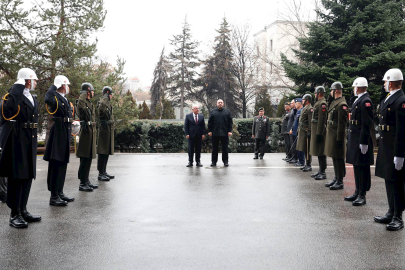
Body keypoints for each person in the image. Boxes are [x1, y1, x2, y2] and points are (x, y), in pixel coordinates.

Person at [0, 68, 41, 228]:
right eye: (33, 80)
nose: (36, 82)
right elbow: (7, 111)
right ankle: (14, 214)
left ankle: (23, 210)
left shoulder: (31, 97)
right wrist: (17, 87)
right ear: (27, 81)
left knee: (27, 176)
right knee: (17, 178)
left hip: (29, 139)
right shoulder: (12, 97)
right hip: (17, 140)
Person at [374, 68, 405, 231]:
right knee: (388, 178)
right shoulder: (389, 98)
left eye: (385, 82)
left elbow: (402, 129)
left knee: (397, 182)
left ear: (391, 82)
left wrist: (400, 153)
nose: (384, 85)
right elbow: (381, 103)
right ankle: (391, 211)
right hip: (386, 145)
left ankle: (398, 217)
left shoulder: (401, 100)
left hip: (394, 146)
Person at [43, 75, 76, 206]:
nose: (68, 87)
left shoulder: (64, 99)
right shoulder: (55, 97)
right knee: (56, 163)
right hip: (58, 132)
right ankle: (54, 196)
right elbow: (47, 98)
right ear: (62, 85)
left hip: (65, 131)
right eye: (66, 85)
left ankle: (60, 192)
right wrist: (54, 86)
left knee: (63, 162)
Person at [345, 77, 374, 206]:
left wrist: (364, 142)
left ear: (358, 87)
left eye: (354, 88)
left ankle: (362, 194)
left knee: (362, 167)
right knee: (356, 165)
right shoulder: (358, 99)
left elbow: (367, 123)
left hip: (361, 139)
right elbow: (352, 105)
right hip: (355, 137)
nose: (353, 90)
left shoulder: (365, 101)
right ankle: (357, 191)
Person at [324, 82, 348, 190]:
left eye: (331, 90)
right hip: (332, 134)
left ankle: (340, 180)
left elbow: (342, 124)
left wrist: (339, 139)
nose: (330, 92)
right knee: (335, 156)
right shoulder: (335, 102)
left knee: (339, 158)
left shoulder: (342, 104)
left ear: (336, 91)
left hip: (337, 135)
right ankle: (336, 177)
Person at [76, 83, 98, 191]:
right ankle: (82, 183)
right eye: (92, 91)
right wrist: (83, 94)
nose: (93, 92)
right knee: (84, 158)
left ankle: (86, 180)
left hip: (91, 132)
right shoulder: (81, 102)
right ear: (87, 92)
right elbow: (80, 107)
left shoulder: (89, 103)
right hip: (85, 132)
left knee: (89, 157)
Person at [310, 86, 328, 180]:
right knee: (318, 151)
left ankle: (323, 172)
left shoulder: (322, 104)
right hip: (316, 129)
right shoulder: (318, 103)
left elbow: (322, 120)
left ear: (319, 93)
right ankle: (320, 170)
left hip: (319, 130)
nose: (315, 95)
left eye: (316, 93)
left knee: (321, 152)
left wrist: (319, 133)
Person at [97, 86, 115, 180]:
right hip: (104, 129)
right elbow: (101, 109)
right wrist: (105, 96)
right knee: (102, 152)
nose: (112, 96)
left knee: (106, 151)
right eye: (110, 94)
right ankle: (100, 173)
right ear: (107, 94)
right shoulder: (102, 103)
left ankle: (104, 171)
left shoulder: (108, 103)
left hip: (108, 129)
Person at [208, 99, 233, 167]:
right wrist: (209, 131)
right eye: (219, 102)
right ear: (216, 104)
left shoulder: (227, 112)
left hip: (224, 133)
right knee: (214, 148)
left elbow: (230, 122)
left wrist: (229, 131)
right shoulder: (213, 112)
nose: (220, 104)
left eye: (221, 103)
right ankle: (213, 162)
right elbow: (210, 122)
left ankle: (225, 161)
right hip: (215, 133)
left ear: (223, 104)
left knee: (225, 148)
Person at [296, 94, 313, 172]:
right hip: (303, 131)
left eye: (303, 100)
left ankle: (309, 164)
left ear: (307, 100)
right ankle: (306, 164)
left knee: (307, 148)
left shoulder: (310, 108)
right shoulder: (305, 108)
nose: (302, 101)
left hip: (306, 132)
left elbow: (310, 121)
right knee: (304, 148)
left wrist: (309, 131)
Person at [290, 98, 305, 166]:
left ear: (299, 104)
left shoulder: (302, 111)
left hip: (299, 132)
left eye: (296, 104)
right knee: (297, 146)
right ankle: (299, 160)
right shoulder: (298, 111)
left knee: (300, 147)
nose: (295, 105)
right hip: (296, 131)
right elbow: (295, 122)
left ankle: (301, 161)